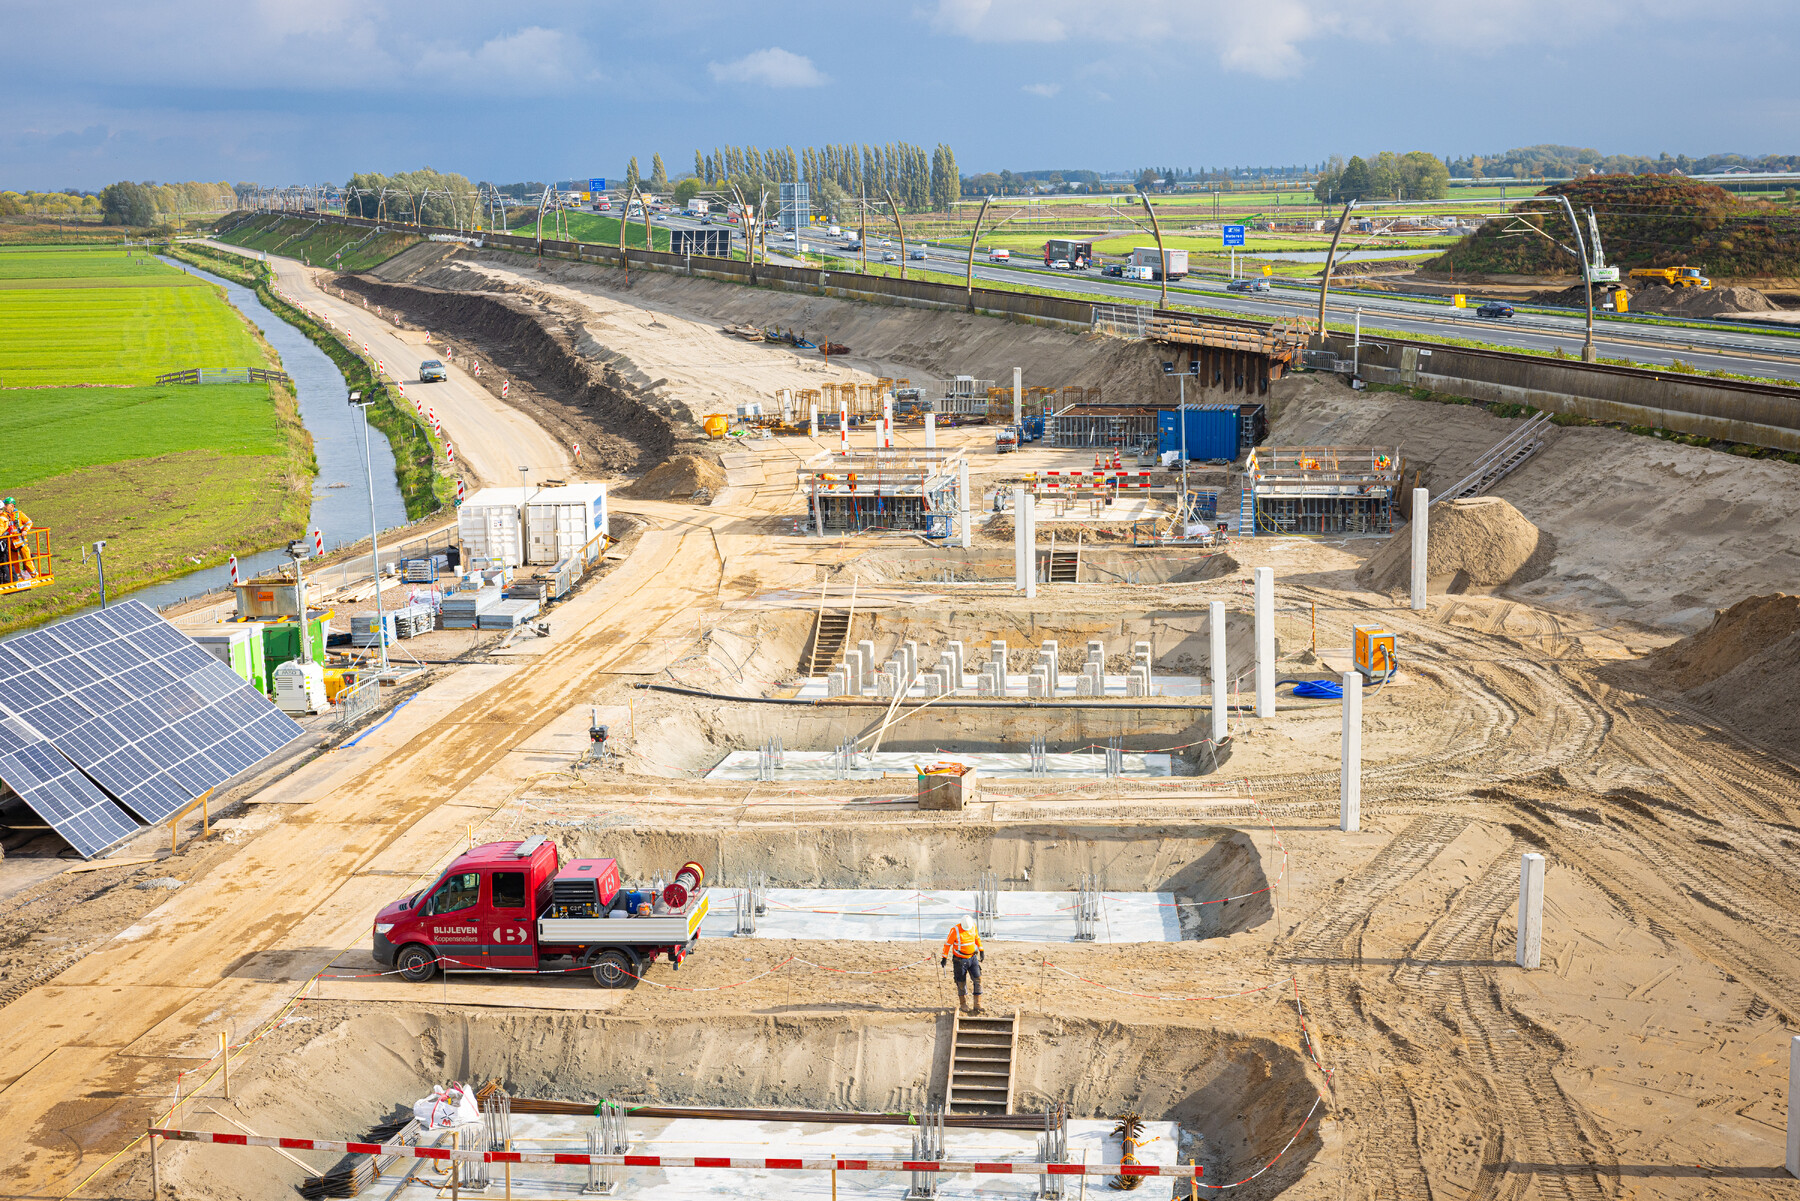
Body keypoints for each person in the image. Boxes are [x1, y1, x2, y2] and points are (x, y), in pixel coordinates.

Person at [940, 919, 985, 1014]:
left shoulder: (973, 926)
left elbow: (977, 938)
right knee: (961, 982)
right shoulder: (955, 930)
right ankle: (963, 1004)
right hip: (959, 960)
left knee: (978, 979)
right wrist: (944, 957)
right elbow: (947, 944)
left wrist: (981, 950)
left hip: (972, 958)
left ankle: (977, 1004)